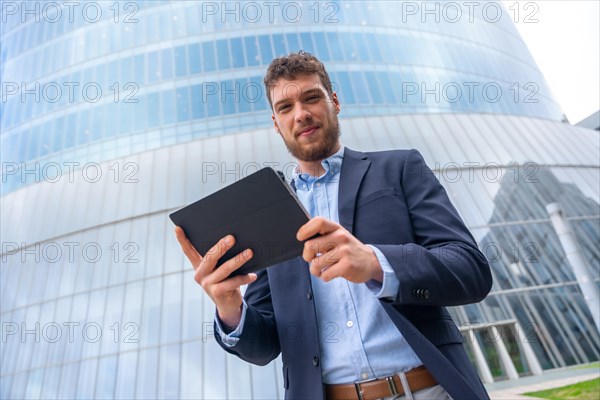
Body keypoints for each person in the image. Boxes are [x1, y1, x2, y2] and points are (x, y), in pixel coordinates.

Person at [175, 51, 492, 400]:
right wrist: (230, 309)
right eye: (285, 108)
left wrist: (376, 263)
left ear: (334, 102)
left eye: (312, 97)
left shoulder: (400, 168)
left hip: (432, 390)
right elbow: (264, 347)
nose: (301, 114)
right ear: (275, 122)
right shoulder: (266, 215)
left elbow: (470, 269)